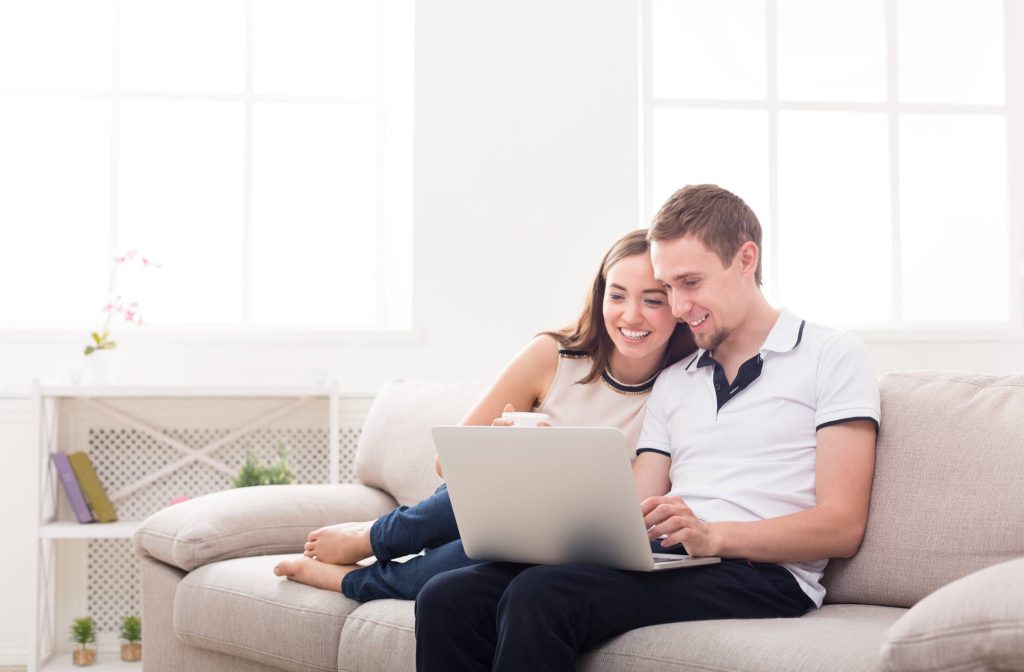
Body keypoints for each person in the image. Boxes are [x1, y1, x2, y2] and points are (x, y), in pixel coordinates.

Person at [415, 184, 881, 671]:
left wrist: (713, 536)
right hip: (674, 557)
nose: (678, 307)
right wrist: (546, 469)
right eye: (670, 287)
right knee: (449, 595)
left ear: (746, 260)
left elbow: (842, 525)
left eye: (690, 282)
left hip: (764, 573)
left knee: (544, 595)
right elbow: (634, 510)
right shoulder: (677, 381)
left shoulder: (831, 355)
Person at [272, 229, 697, 600]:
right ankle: (372, 537)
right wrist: (503, 450)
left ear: (677, 306)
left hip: (574, 534)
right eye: (617, 295)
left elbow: (637, 511)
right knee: (469, 496)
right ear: (599, 293)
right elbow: (448, 464)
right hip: (501, 501)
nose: (630, 315)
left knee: (451, 570)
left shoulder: (682, 387)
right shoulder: (553, 355)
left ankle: (349, 580)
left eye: (652, 300)